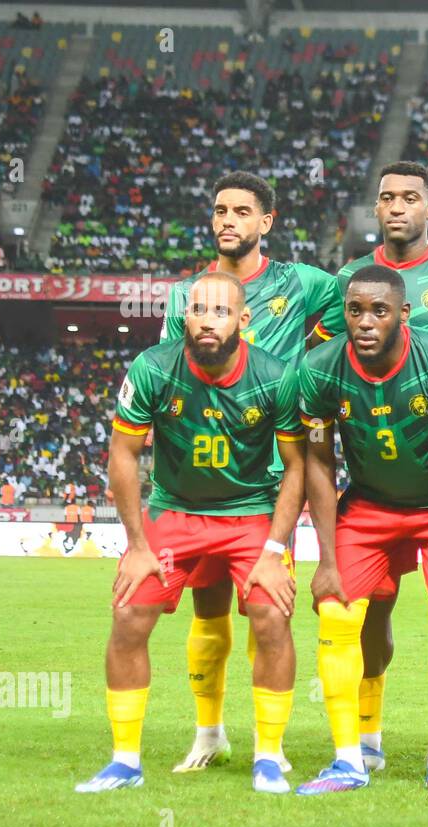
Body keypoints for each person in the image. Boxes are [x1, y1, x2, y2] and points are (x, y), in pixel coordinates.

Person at [162, 169, 428, 776]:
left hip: (275, 472)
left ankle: (270, 746)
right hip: (209, 471)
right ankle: (211, 730)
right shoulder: (185, 297)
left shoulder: (304, 283)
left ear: (265, 223)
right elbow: (181, 372)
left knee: (267, 605)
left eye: (242, 212)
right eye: (220, 210)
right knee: (208, 605)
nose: (229, 221)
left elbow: (376, 292)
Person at [76, 273, 305, 794]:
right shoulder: (153, 369)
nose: (208, 319)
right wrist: (136, 546)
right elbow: (124, 453)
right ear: (186, 314)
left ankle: (268, 756)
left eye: (221, 311)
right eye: (199, 309)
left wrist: (274, 548)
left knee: (271, 616)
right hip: (175, 512)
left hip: (249, 513)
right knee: (130, 613)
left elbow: (297, 466)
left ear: (244, 320)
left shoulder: (275, 376)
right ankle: (125, 761)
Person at [316, 161, 428, 781]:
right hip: (373, 479)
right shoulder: (351, 279)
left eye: (409, 198)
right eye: (386, 198)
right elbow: (322, 356)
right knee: (369, 611)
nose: (396, 207)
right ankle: (363, 743)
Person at [296, 265, 428, 796]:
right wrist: (326, 559)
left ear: (403, 313)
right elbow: (318, 462)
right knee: (335, 611)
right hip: (368, 507)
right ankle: (350, 760)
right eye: (355, 310)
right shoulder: (320, 368)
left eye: (379, 310)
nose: (365, 321)